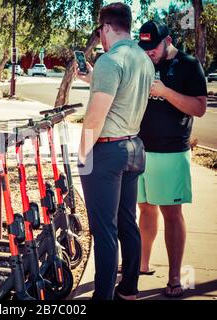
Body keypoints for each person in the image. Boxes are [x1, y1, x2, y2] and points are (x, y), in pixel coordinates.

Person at [75, 3, 154, 300]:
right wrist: (95, 77)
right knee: (126, 223)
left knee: (105, 233)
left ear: (106, 27)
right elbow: (125, 93)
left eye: (100, 32)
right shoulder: (143, 59)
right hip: (134, 147)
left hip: (108, 152)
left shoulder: (111, 60)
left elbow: (95, 119)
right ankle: (129, 288)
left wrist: (81, 154)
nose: (102, 38)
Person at [137, 20, 207, 297]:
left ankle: (175, 278)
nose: (148, 53)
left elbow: (200, 108)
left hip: (171, 152)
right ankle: (142, 265)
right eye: (144, 47)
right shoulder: (145, 62)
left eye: (152, 47)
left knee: (171, 213)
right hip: (140, 148)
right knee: (145, 207)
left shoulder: (189, 65)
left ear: (167, 41)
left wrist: (164, 91)